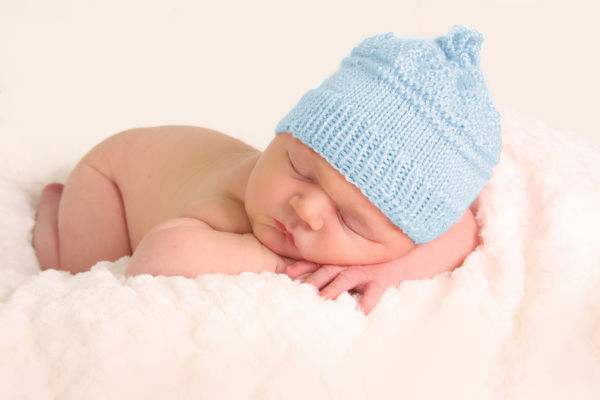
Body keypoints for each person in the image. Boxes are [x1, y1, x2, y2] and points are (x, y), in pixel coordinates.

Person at [32, 25, 502, 314]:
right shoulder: (232, 209)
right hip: (114, 175)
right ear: (282, 137)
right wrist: (285, 265)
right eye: (300, 169)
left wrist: (393, 270)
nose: (305, 208)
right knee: (83, 273)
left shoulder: (407, 230)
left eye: (350, 220)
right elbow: (158, 257)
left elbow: (462, 228)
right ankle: (57, 213)